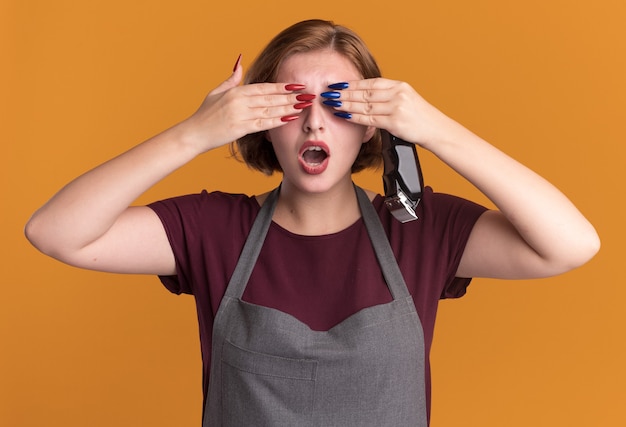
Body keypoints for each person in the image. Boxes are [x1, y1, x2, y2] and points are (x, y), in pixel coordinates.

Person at [25, 18, 600, 427]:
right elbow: (54, 232)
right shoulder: (212, 228)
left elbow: (570, 245)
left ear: (372, 123)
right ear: (261, 122)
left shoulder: (421, 228)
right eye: (293, 104)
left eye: (341, 104)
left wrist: (434, 127)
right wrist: (195, 132)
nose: (315, 126)